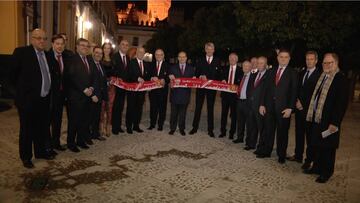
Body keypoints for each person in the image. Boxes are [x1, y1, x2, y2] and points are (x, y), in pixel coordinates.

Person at [12, 29, 54, 168]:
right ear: (32, 39)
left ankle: (40, 152)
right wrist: (18, 96)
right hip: (27, 101)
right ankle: (26, 157)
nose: (42, 41)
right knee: (27, 130)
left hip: (44, 99)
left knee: (41, 128)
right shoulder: (21, 53)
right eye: (38, 38)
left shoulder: (47, 55)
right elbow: (10, 76)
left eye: (44, 38)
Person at [304, 53, 348, 183]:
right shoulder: (323, 76)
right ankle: (317, 167)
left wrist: (335, 123)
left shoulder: (340, 79)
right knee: (317, 145)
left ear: (336, 63)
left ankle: (326, 172)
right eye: (324, 63)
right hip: (318, 118)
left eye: (330, 63)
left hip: (329, 121)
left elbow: (341, 104)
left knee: (328, 148)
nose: (327, 65)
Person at [257, 49, 298, 164]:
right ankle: (267, 151)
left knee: (282, 133)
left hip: (284, 109)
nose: (283, 59)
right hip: (269, 107)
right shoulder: (271, 71)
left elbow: (294, 92)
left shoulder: (293, 73)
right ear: (277, 58)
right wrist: (262, 104)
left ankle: (281, 154)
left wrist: (290, 108)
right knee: (269, 131)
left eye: (286, 57)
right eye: (281, 56)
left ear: (289, 59)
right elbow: (265, 89)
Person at [287, 51, 321, 169]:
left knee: (310, 137)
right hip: (299, 110)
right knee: (299, 134)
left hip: (310, 111)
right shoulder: (301, 73)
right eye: (307, 59)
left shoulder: (319, 75)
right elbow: (296, 89)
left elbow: (317, 94)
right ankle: (298, 155)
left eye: (311, 59)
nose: (309, 61)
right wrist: (296, 101)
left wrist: (304, 104)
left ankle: (309, 159)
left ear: (316, 61)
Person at [65, 38, 96, 152]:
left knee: (84, 120)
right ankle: (71, 143)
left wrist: (92, 87)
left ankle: (81, 141)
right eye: (82, 45)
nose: (85, 48)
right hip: (76, 96)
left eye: (87, 46)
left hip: (87, 96)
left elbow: (93, 76)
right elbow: (72, 77)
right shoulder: (72, 59)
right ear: (76, 46)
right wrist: (84, 89)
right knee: (74, 121)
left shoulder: (89, 59)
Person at [189, 42, 221, 137]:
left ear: (214, 50)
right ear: (205, 50)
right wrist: (198, 76)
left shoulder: (217, 61)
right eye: (208, 49)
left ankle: (210, 130)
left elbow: (218, 74)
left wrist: (220, 80)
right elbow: (197, 73)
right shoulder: (200, 60)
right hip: (201, 88)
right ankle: (194, 127)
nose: (209, 50)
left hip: (211, 89)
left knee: (210, 109)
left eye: (211, 49)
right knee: (198, 107)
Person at [47, 34, 69, 154]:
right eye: (57, 44)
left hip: (61, 95)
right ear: (52, 44)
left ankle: (56, 143)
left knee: (58, 121)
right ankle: (48, 146)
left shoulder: (65, 57)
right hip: (50, 96)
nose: (60, 46)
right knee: (47, 122)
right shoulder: (47, 56)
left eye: (62, 44)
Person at [168, 51, 195, 136]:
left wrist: (194, 80)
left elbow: (193, 81)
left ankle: (181, 128)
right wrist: (169, 79)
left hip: (185, 95)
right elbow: (169, 81)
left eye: (183, 57)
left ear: (186, 58)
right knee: (173, 113)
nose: (182, 58)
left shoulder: (191, 68)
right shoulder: (172, 68)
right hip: (175, 94)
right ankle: (172, 128)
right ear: (178, 58)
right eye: (180, 57)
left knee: (183, 114)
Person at [125, 47, 151, 134]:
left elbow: (147, 77)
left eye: (143, 52)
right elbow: (128, 75)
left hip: (141, 92)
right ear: (136, 53)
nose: (141, 54)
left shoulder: (146, 64)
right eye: (140, 52)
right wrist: (137, 78)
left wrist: (150, 83)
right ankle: (129, 126)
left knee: (139, 109)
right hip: (132, 91)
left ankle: (136, 126)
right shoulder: (131, 63)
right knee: (130, 109)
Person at [218, 53, 242, 139]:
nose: (232, 60)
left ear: (237, 59)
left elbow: (241, 83)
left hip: (235, 97)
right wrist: (222, 80)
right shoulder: (224, 69)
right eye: (230, 58)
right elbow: (220, 78)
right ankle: (223, 131)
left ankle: (232, 132)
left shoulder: (240, 70)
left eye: (233, 58)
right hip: (225, 95)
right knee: (223, 114)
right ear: (229, 59)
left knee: (234, 115)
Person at [248, 56, 269, 151]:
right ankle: (251, 144)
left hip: (260, 105)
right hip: (252, 105)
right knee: (253, 126)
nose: (259, 65)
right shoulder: (255, 74)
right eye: (258, 63)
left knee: (262, 128)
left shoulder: (268, 76)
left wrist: (262, 104)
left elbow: (267, 92)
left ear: (265, 64)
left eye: (261, 63)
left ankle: (261, 147)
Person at [233, 61, 255, 145]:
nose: (245, 68)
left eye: (247, 66)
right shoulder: (240, 76)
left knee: (249, 123)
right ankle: (240, 138)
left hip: (248, 103)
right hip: (239, 101)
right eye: (244, 66)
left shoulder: (253, 77)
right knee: (240, 121)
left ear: (250, 67)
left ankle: (249, 142)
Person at [148, 49, 170, 131]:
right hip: (153, 91)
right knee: (153, 108)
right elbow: (147, 76)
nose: (158, 56)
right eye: (157, 54)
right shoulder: (151, 65)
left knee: (162, 108)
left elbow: (169, 77)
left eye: (160, 54)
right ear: (155, 55)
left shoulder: (167, 65)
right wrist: (151, 78)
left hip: (163, 91)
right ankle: (152, 124)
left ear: (163, 56)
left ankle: (160, 124)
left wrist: (165, 80)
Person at [88, 46, 107, 141]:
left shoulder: (100, 65)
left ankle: (95, 134)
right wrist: (92, 95)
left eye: (101, 53)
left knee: (96, 116)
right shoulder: (90, 65)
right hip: (93, 96)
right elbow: (89, 81)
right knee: (90, 117)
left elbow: (102, 81)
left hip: (100, 95)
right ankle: (88, 136)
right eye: (97, 52)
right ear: (93, 53)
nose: (99, 54)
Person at [111, 40, 129, 135]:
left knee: (121, 107)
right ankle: (114, 127)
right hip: (116, 87)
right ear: (119, 46)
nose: (125, 46)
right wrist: (117, 78)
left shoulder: (128, 57)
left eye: (126, 45)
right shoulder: (114, 57)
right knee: (115, 107)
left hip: (124, 87)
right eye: (123, 44)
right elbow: (112, 71)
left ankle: (118, 126)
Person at [100, 42, 115, 136]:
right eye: (105, 48)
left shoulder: (113, 61)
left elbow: (115, 73)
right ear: (103, 49)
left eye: (108, 48)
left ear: (110, 50)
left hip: (111, 87)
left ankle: (108, 127)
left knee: (109, 108)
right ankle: (101, 128)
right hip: (101, 86)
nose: (107, 50)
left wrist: (113, 79)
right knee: (101, 107)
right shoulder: (99, 60)